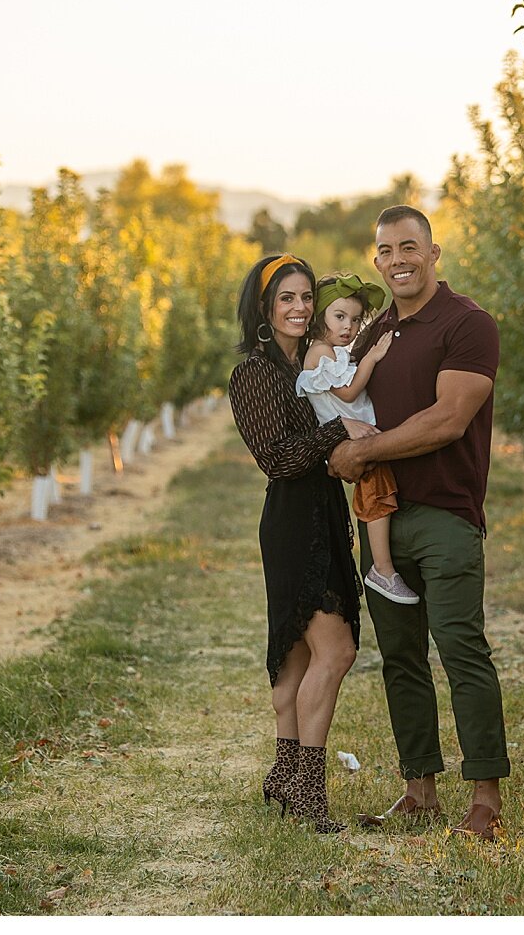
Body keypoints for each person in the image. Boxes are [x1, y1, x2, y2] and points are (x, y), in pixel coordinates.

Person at [327, 205, 509, 841]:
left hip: (446, 516)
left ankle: (484, 794)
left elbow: (447, 420)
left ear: (434, 254)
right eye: (386, 250)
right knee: (401, 658)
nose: (398, 259)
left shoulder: (468, 324)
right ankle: (419, 789)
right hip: (383, 518)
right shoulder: (376, 327)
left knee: (461, 651)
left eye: (410, 247)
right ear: (376, 261)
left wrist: (363, 452)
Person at [227, 252, 374, 833]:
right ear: (265, 308)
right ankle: (311, 796)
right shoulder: (254, 375)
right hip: (293, 521)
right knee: (334, 652)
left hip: (323, 511)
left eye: (306, 297)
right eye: (286, 298)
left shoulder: (318, 365)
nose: (299, 307)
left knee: (299, 658)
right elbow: (279, 459)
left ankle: (284, 778)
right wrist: (339, 430)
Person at [295, 272, 420, 606]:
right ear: (320, 316)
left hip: (352, 432)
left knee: (378, 484)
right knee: (376, 487)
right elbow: (349, 393)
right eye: (339, 317)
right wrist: (372, 358)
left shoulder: (331, 349)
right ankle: (382, 568)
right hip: (343, 437)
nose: (348, 326)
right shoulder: (320, 352)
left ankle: (384, 565)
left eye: (354, 319)